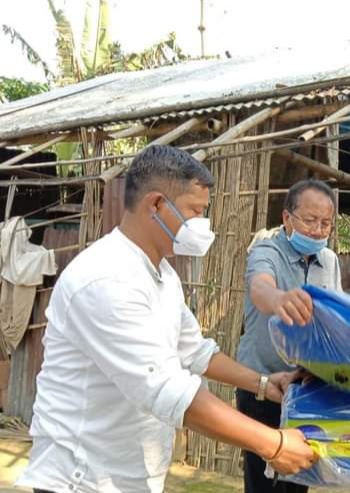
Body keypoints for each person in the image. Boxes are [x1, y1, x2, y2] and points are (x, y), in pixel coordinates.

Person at [17, 146, 315, 493]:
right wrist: (273, 444)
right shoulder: (105, 279)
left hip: (129, 479)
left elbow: (194, 352)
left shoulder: (161, 274)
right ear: (156, 204)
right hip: (80, 481)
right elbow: (167, 391)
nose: (203, 225)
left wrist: (263, 384)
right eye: (195, 211)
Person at [235, 178, 342, 493]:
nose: (318, 230)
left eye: (325, 223)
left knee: (299, 476)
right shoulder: (266, 251)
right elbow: (260, 287)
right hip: (262, 385)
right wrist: (279, 299)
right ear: (287, 218)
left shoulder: (330, 261)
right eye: (310, 221)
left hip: (307, 387)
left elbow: (332, 318)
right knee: (262, 479)